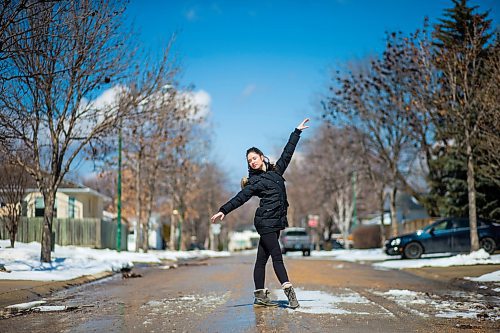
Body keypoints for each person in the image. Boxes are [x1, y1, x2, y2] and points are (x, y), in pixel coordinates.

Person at [211, 118, 310, 309]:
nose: (252, 162)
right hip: (265, 222)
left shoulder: (277, 172)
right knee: (277, 255)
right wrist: (224, 210)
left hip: (276, 221)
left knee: (261, 260)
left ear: (262, 157)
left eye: (254, 158)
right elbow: (240, 198)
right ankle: (290, 292)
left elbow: (287, 153)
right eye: (249, 161)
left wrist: (296, 132)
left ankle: (259, 296)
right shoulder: (254, 182)